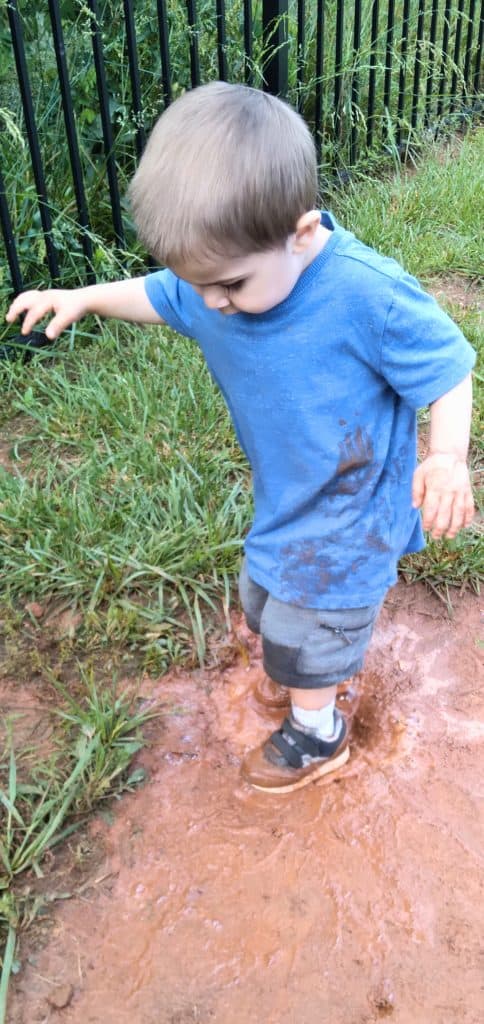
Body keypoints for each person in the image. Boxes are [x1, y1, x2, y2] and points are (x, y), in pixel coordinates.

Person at [6, 82, 476, 794]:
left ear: (304, 232)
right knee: (264, 603)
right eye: (201, 287)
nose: (212, 305)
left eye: (228, 286)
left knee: (310, 627)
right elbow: (159, 294)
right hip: (288, 498)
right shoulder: (220, 280)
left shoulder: (366, 295)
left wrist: (446, 459)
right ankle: (305, 678)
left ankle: (318, 732)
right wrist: (85, 298)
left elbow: (447, 367)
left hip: (352, 510)